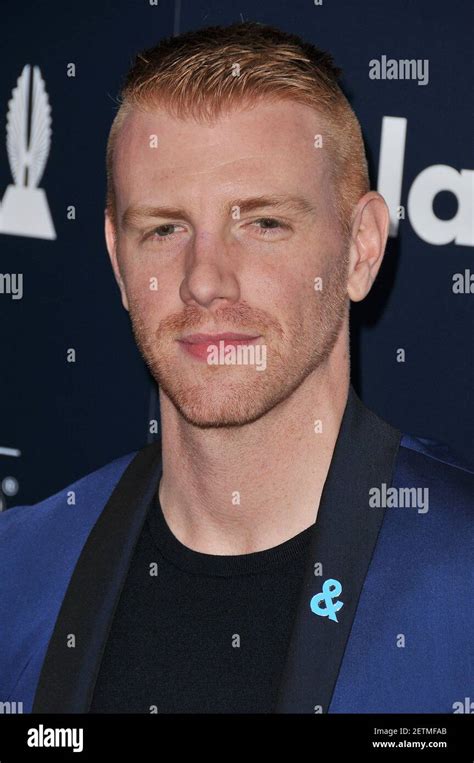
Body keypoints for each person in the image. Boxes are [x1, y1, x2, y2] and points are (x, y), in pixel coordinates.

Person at [0, 22, 472, 715]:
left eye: (263, 224)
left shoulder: (462, 580)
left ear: (361, 249)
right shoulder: (19, 570)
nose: (205, 280)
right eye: (164, 228)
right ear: (116, 258)